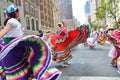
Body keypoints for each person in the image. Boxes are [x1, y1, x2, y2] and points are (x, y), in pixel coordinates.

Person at [0, 4, 61, 80]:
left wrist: (40, 37)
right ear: (16, 13)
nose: (20, 13)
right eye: (19, 11)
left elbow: (23, 35)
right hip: (12, 50)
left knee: (22, 68)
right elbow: (5, 30)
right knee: (18, 69)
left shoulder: (16, 22)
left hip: (17, 49)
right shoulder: (12, 20)